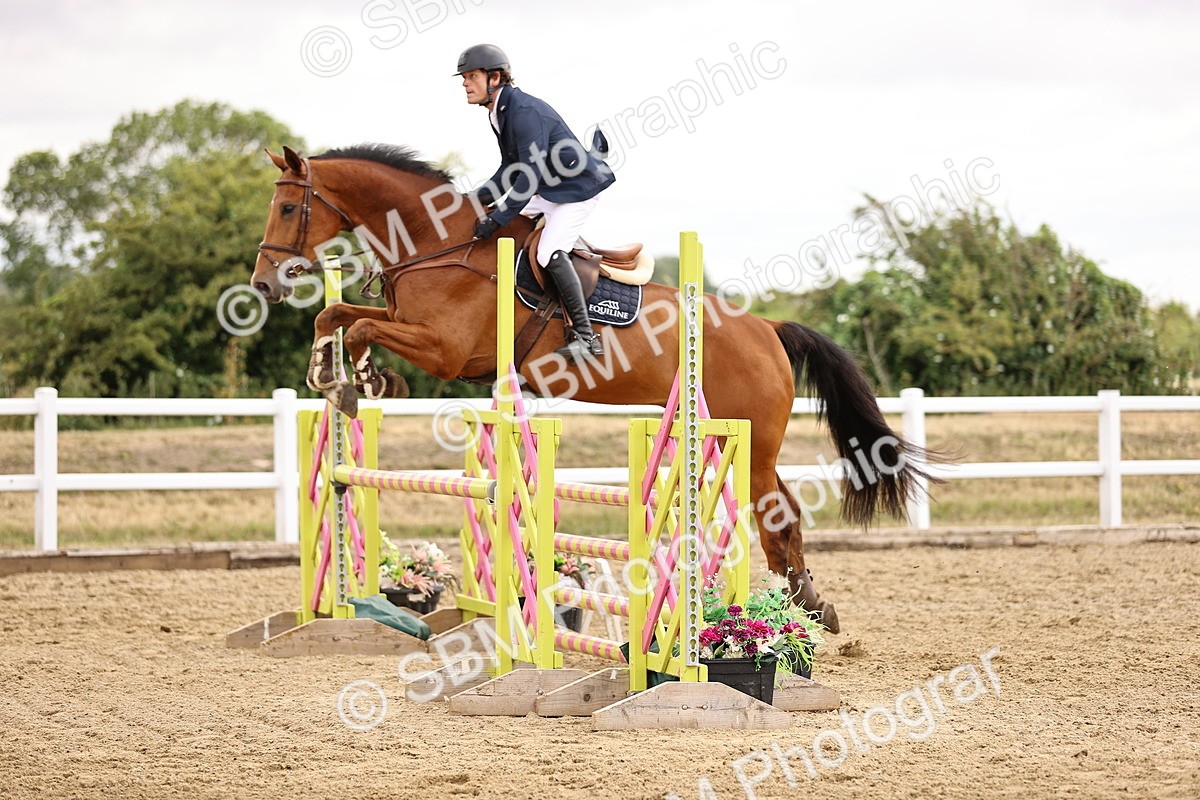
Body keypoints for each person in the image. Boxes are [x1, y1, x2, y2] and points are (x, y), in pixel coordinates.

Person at [455, 43, 615, 362]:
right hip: (550, 189)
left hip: (576, 190)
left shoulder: (523, 112)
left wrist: (496, 218)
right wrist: (471, 202)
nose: (464, 83)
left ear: (495, 78)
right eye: (464, 77)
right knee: (510, 225)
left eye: (471, 76)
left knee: (548, 252)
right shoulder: (500, 112)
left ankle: (586, 337)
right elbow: (508, 170)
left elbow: (525, 177)